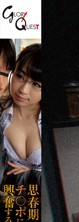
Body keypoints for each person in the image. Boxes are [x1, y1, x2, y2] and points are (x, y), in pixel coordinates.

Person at [0, 43, 41, 189]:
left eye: (36, 84)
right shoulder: (3, 114)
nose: (23, 90)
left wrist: (34, 172)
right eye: (20, 76)